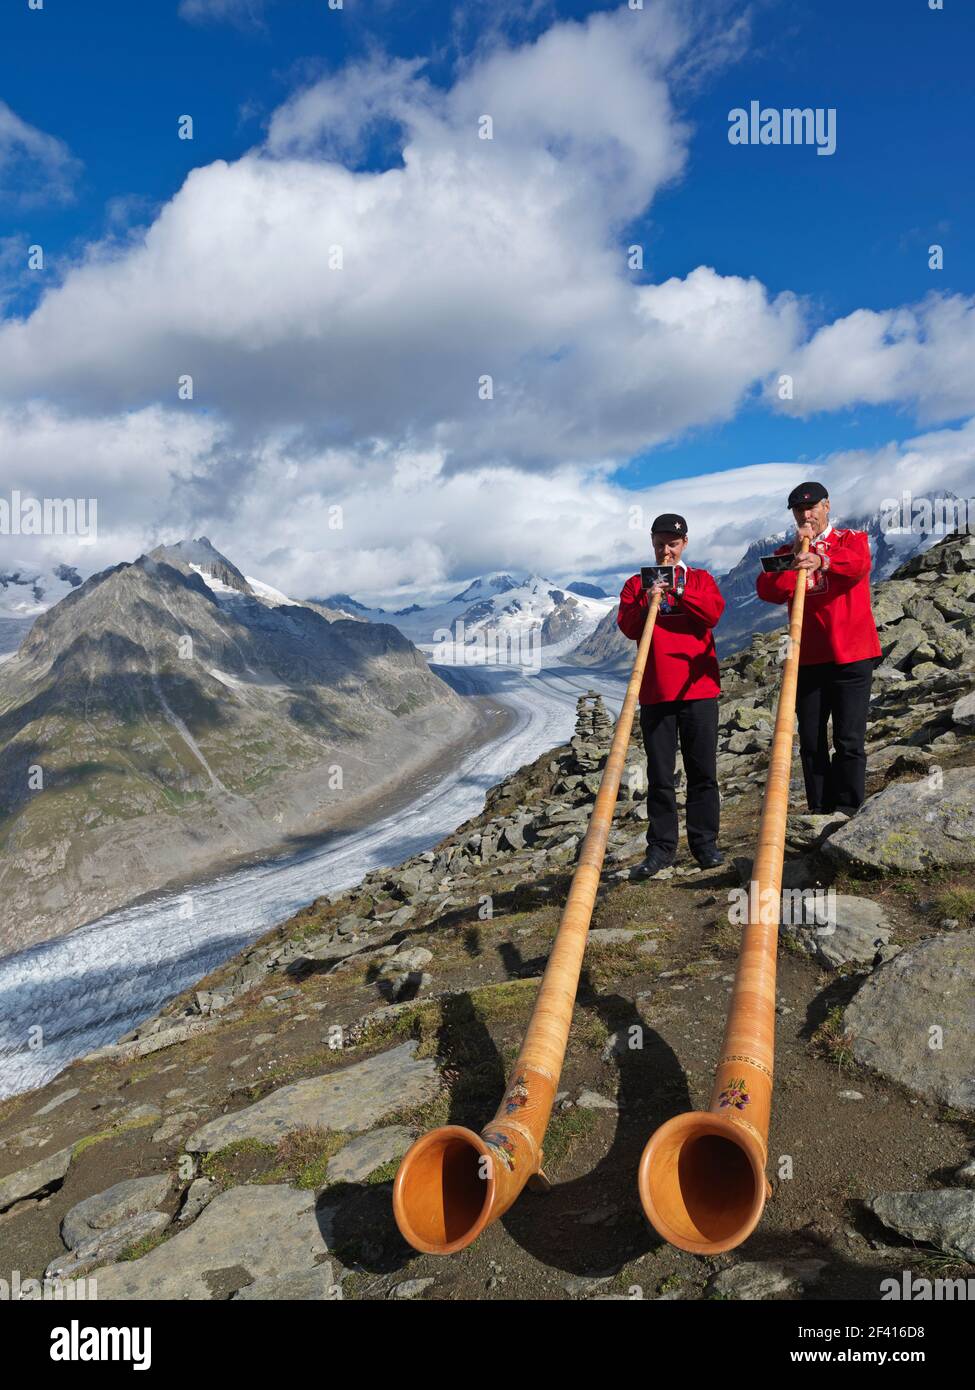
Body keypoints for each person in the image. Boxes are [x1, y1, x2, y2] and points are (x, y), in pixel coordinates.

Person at [755, 481, 882, 815]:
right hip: (808, 660)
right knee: (811, 742)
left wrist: (821, 559)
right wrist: (798, 557)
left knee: (849, 739)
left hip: (852, 654)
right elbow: (767, 589)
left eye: (811, 507)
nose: (806, 514)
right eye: (799, 510)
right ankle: (820, 811)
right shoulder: (787, 552)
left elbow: (857, 566)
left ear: (827, 506)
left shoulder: (851, 540)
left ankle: (849, 808)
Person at [617, 513, 726, 875]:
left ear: (684, 544)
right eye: (661, 543)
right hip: (656, 691)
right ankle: (661, 849)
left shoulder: (701, 579)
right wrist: (647, 600)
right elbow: (629, 628)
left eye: (673, 544)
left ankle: (704, 844)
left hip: (699, 689)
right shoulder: (635, 584)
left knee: (702, 771)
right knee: (660, 775)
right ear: (652, 542)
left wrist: (677, 589)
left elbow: (711, 614)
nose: (666, 550)